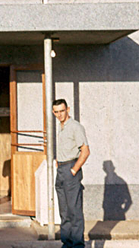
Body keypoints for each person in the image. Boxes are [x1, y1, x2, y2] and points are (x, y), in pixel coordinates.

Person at [53, 99, 90, 248]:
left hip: (70, 170)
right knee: (64, 211)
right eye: (56, 112)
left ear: (68, 109)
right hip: (61, 170)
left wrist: (74, 169)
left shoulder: (75, 127)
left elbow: (85, 151)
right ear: (53, 112)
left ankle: (77, 245)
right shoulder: (60, 127)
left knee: (74, 211)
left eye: (62, 111)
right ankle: (67, 243)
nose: (60, 115)